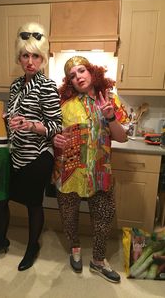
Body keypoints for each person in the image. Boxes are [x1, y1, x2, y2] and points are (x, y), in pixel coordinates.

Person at [0, 22, 62, 271]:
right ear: (19, 58)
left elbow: (56, 125)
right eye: (25, 55)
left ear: (43, 58)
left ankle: (32, 246)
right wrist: (3, 117)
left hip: (37, 156)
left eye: (35, 55)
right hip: (14, 153)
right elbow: (16, 116)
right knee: (0, 199)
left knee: (32, 204)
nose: (30, 61)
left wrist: (31, 125)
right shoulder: (16, 85)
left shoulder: (47, 86)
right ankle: (0, 240)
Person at [52, 56, 128, 283]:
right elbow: (53, 133)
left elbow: (122, 138)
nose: (78, 77)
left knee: (104, 216)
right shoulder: (64, 104)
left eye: (81, 71)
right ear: (69, 82)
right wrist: (54, 139)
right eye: (72, 76)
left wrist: (110, 117)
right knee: (68, 215)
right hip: (69, 171)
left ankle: (98, 259)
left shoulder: (110, 100)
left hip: (99, 172)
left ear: (92, 72)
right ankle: (75, 247)